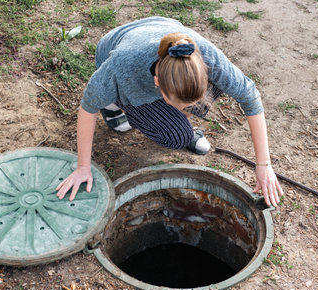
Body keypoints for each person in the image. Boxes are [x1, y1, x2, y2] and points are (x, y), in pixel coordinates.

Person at [56, 17, 283, 207]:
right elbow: (87, 108)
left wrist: (263, 165)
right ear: (156, 82)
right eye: (178, 104)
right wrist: (83, 167)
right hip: (115, 49)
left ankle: (172, 113)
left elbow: (249, 96)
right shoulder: (122, 71)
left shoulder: (204, 57)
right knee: (176, 136)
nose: (189, 110)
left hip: (159, 32)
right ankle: (115, 107)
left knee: (208, 95)